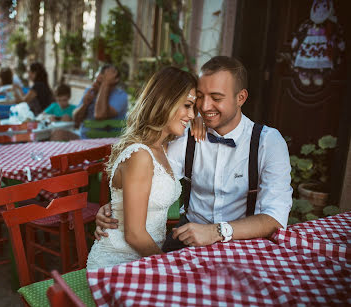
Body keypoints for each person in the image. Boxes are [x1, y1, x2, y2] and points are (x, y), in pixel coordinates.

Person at [95, 56, 292, 252]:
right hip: (187, 240)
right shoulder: (184, 136)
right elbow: (147, 179)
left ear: (240, 98)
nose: (205, 107)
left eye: (216, 98)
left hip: (242, 243)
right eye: (200, 97)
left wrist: (216, 232)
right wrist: (116, 207)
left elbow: (274, 217)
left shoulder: (268, 143)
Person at [85, 66, 198, 270]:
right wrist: (170, 267)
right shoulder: (140, 154)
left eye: (194, 108)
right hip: (117, 263)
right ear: (166, 102)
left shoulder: (165, 147)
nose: (191, 115)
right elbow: (134, 234)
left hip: (146, 259)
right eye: (188, 105)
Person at [73, 65, 128, 138]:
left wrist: (105, 84)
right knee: (58, 133)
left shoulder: (121, 96)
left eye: (100, 82)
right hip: (84, 138)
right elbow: (76, 121)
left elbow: (99, 115)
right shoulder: (91, 90)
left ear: (113, 82)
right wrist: (85, 104)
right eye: (95, 80)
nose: (94, 84)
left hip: (106, 142)